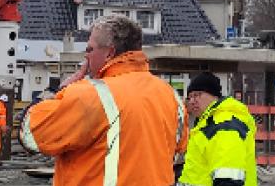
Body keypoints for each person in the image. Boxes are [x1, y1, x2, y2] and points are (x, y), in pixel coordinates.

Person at [20, 15, 189, 186]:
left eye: (89, 50)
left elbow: (31, 135)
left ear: (109, 53)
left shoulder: (91, 94)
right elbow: (177, 151)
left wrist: (57, 91)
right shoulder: (171, 96)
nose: (86, 56)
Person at [177, 72, 257, 186]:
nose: (192, 101)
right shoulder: (207, 125)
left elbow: (228, 178)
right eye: (190, 97)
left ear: (214, 95)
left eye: (197, 95)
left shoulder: (225, 125)